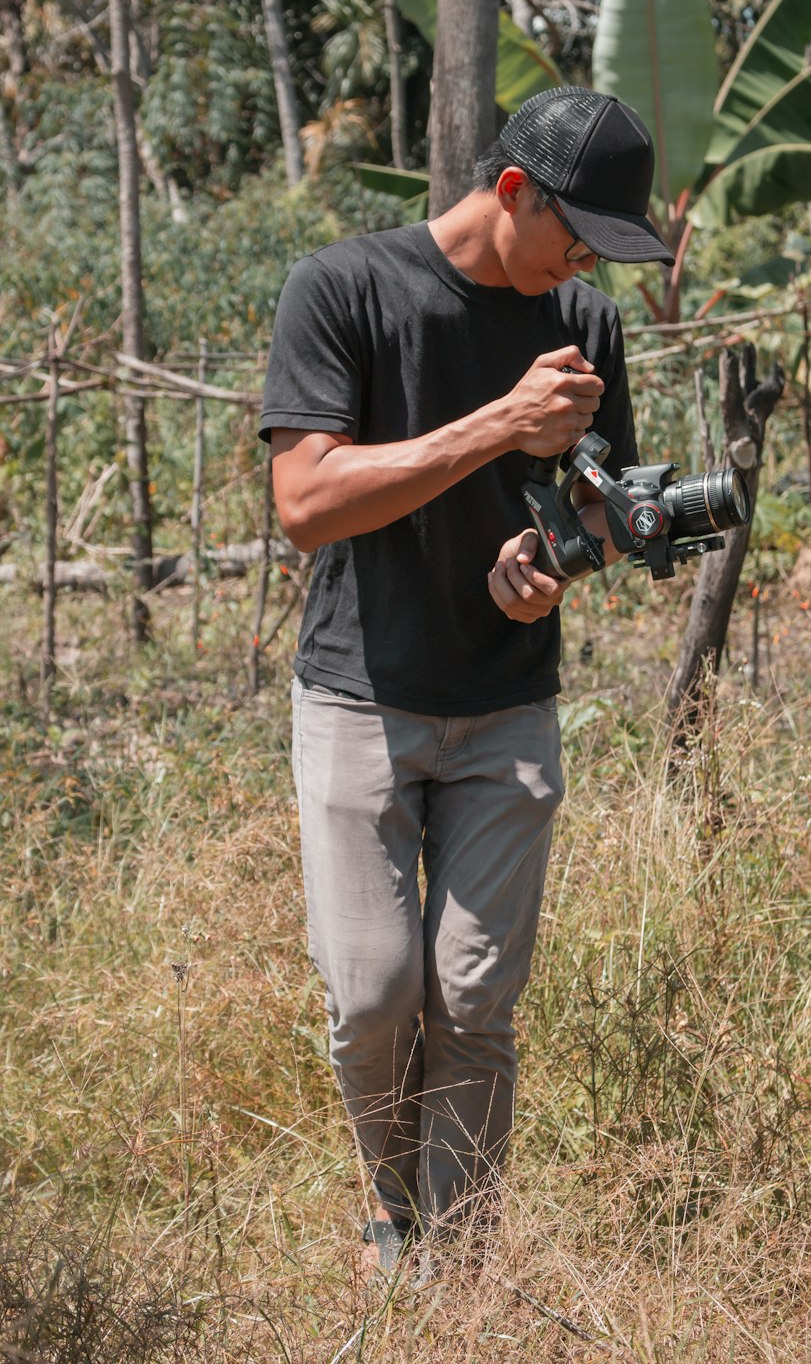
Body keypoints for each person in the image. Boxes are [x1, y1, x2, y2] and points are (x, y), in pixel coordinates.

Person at [259, 86, 673, 1272]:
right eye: (577, 233)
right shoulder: (340, 289)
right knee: (377, 995)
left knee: (476, 1001)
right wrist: (496, 426)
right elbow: (304, 504)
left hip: (509, 705)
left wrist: (555, 558)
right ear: (509, 193)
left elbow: (596, 511)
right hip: (360, 696)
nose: (587, 262)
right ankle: (388, 1206)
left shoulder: (585, 324)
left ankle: (461, 1263)